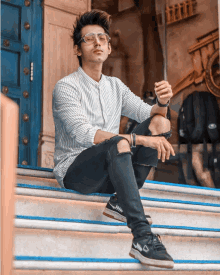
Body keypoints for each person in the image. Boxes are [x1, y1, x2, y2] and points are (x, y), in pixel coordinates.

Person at [52, 9, 175, 269]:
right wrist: (140, 141)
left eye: (102, 38)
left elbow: (149, 114)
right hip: (77, 173)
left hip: (112, 170)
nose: (98, 42)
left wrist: (162, 102)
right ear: (77, 49)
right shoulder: (66, 87)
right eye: (89, 38)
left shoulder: (115, 86)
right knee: (120, 142)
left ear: (108, 47)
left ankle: (120, 201)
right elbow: (86, 134)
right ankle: (142, 237)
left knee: (161, 122)